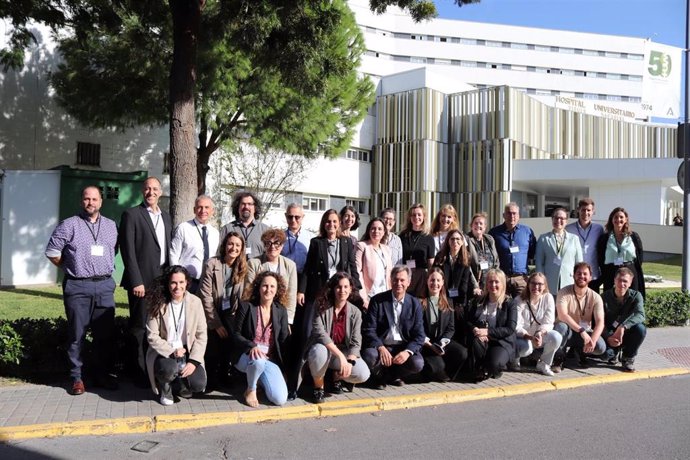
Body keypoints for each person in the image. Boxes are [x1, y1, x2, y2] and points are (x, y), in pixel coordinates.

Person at [45, 185, 119, 395]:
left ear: (101, 202)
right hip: (78, 286)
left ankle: (101, 375)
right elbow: (52, 252)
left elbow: (114, 250)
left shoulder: (111, 226)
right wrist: (69, 266)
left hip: (104, 285)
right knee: (77, 334)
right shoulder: (69, 225)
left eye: (94, 199)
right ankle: (77, 378)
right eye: (87, 199)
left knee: (104, 335)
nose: (91, 203)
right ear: (81, 201)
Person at [120, 177, 173, 379]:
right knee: (139, 327)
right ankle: (138, 372)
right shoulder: (132, 215)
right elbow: (128, 250)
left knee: (158, 327)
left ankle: (156, 369)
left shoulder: (166, 217)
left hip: (161, 282)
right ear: (143, 191)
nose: (151, 192)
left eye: (155, 189)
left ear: (160, 192)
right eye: (147, 189)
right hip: (141, 282)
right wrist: (136, 281)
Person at [145, 266, 208, 406]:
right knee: (168, 370)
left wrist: (194, 361)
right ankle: (165, 388)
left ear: (187, 283)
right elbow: (152, 336)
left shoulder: (195, 302)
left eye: (181, 282)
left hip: (187, 351)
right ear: (167, 284)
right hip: (165, 352)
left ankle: (180, 385)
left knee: (198, 384)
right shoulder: (158, 302)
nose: (177, 286)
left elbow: (201, 335)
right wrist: (172, 351)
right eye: (173, 283)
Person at [305, 272, 371, 403]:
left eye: (346, 287)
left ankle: (336, 376)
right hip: (323, 350)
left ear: (351, 289)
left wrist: (350, 362)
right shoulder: (321, 305)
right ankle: (319, 387)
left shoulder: (355, 312)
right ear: (333, 289)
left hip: (342, 352)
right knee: (319, 352)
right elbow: (320, 334)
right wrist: (341, 357)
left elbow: (356, 342)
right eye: (339, 287)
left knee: (363, 374)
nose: (342, 290)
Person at [232, 272, 290, 407]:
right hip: (246, 356)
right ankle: (251, 390)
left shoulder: (281, 311)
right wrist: (251, 345)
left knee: (279, 399)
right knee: (258, 360)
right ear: (258, 287)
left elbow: (284, 341)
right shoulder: (246, 306)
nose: (268, 290)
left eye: (272, 287)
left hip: (268, 359)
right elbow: (236, 334)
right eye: (265, 286)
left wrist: (285, 370)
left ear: (277, 290)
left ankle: (261, 382)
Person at [361, 265, 425, 389]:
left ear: (408, 282)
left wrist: (407, 352)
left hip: (402, 347)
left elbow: (420, 335)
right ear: (390, 280)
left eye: (402, 280)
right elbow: (369, 330)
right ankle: (380, 377)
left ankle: (393, 376)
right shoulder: (377, 301)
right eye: (395, 279)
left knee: (417, 363)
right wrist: (380, 347)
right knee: (369, 356)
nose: (398, 283)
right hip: (382, 346)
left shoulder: (415, 303)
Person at [198, 231, 248, 390]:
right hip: (211, 311)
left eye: (237, 245)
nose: (233, 248)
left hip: (230, 313)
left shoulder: (243, 268)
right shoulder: (212, 264)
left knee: (229, 342)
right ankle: (210, 379)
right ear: (225, 245)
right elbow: (205, 295)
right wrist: (215, 323)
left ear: (241, 249)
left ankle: (225, 375)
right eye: (230, 244)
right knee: (213, 343)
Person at [464, 269, 517, 381]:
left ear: (503, 284)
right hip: (480, 340)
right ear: (486, 283)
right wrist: (475, 329)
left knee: (494, 365)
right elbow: (468, 320)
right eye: (490, 281)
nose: (493, 285)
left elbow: (510, 329)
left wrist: (487, 332)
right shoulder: (478, 300)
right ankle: (480, 368)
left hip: (501, 342)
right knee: (473, 342)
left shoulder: (510, 303)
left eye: (497, 282)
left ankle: (494, 368)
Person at [554, 262, 606, 371]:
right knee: (561, 326)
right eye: (579, 273)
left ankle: (581, 351)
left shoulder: (596, 297)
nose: (582, 276)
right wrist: (581, 330)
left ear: (590, 277)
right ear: (573, 275)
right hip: (567, 332)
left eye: (585, 274)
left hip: (584, 333)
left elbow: (600, 322)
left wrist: (592, 340)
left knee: (600, 347)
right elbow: (563, 315)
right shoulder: (563, 292)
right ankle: (559, 358)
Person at [419, 268, 468, 382]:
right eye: (432, 280)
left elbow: (451, 328)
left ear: (442, 282)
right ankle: (434, 371)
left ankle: (446, 372)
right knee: (436, 367)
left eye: (438, 280)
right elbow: (418, 329)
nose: (435, 284)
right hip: (426, 345)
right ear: (427, 281)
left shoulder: (448, 302)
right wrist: (431, 346)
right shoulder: (419, 302)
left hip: (440, 343)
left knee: (462, 353)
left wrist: (442, 342)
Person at [513, 272, 562, 376]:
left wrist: (539, 333)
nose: (536, 287)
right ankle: (514, 359)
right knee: (527, 349)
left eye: (540, 284)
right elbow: (516, 326)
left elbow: (549, 322)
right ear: (528, 284)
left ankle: (544, 363)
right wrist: (530, 338)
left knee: (556, 337)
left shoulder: (548, 298)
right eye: (533, 283)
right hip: (522, 337)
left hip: (539, 336)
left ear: (545, 286)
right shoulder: (519, 300)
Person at [169, 195, 220, 294]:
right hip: (188, 282)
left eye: (206, 207)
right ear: (194, 210)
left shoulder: (215, 233)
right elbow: (173, 254)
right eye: (199, 207)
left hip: (207, 283)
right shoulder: (183, 228)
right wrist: (178, 279)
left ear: (212, 211)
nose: (203, 210)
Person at [247, 229, 298, 325]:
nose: (272, 247)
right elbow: (249, 291)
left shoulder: (290, 265)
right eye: (268, 243)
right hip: (258, 309)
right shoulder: (253, 263)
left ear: (282, 246)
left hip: (281, 313)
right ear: (264, 245)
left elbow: (291, 295)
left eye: (276, 243)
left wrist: (288, 320)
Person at [601, 267, 647, 372]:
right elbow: (599, 322)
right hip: (610, 335)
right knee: (605, 356)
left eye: (625, 281)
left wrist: (623, 326)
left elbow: (640, 315)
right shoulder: (604, 297)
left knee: (641, 329)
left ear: (630, 283)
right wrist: (608, 337)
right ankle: (614, 353)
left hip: (627, 332)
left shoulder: (636, 296)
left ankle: (628, 357)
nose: (622, 284)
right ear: (614, 280)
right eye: (619, 280)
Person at [489, 202, 536, 298]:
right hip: (502, 278)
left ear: (519, 215)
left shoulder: (527, 232)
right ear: (503, 215)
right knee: (501, 307)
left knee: (521, 307)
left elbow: (532, 254)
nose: (512, 216)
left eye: (514, 213)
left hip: (521, 279)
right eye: (509, 213)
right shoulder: (494, 233)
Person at [596, 207, 646, 299]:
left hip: (630, 272)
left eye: (621, 217)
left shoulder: (633, 236)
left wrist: (628, 266)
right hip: (611, 273)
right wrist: (607, 271)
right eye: (615, 217)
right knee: (611, 301)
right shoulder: (604, 238)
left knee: (631, 300)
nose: (618, 219)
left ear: (626, 219)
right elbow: (600, 258)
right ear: (611, 219)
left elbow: (640, 257)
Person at [535, 207, 583, 296]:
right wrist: (540, 281)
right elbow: (539, 263)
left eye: (562, 218)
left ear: (566, 221)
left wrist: (578, 279)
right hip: (549, 283)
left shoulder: (574, 239)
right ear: (552, 219)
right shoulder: (543, 238)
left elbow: (579, 263)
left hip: (569, 281)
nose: (558, 220)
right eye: (556, 218)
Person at [433, 228, 480, 311]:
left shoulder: (466, 258)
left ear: (462, 242)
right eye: (452, 239)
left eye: (458, 239)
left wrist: (460, 304)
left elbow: (464, 283)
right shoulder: (440, 257)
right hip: (442, 296)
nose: (455, 241)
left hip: (459, 297)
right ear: (448, 241)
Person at [566, 198, 605, 291]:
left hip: (593, 275)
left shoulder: (599, 229)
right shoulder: (568, 229)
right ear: (578, 210)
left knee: (591, 304)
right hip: (575, 275)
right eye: (583, 210)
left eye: (589, 210)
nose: (586, 213)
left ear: (593, 212)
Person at [398, 204, 436, 297]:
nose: (416, 217)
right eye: (413, 215)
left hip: (421, 276)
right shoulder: (402, 236)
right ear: (410, 218)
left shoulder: (428, 237)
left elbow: (431, 262)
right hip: (405, 274)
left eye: (419, 215)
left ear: (424, 217)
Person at [219, 191, 270, 260]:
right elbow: (220, 254)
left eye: (249, 204)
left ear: (255, 208)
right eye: (243, 204)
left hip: (257, 270)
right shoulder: (226, 229)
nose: (246, 207)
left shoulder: (265, 230)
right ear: (237, 207)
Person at [356, 217, 393, 308]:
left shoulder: (386, 249)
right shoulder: (362, 246)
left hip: (385, 293)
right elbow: (358, 272)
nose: (376, 231)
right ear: (369, 231)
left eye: (380, 229)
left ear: (384, 232)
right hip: (369, 295)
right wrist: (363, 297)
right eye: (373, 228)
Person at [466, 212, 500, 293]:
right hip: (474, 285)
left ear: (485, 227)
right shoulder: (466, 240)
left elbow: (496, 261)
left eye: (481, 223)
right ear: (471, 226)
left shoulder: (489, 239)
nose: (478, 225)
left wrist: (495, 279)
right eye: (476, 223)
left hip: (490, 284)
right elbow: (467, 266)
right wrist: (475, 286)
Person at [281, 203, 314, 276]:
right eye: (290, 217)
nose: (293, 220)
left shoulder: (311, 237)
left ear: (303, 217)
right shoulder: (280, 237)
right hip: (285, 276)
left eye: (297, 217)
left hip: (305, 277)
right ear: (286, 216)